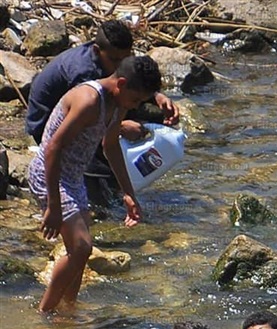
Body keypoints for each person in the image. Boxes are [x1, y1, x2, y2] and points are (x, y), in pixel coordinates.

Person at [27, 56, 162, 314]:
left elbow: (110, 146)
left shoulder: (118, 104)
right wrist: (53, 206)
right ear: (121, 84)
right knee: (81, 247)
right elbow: (53, 148)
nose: (135, 106)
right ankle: (44, 313)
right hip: (49, 174)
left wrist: (128, 193)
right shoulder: (89, 101)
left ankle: (67, 310)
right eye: (135, 100)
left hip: (74, 177)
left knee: (78, 252)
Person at [25, 19, 179, 202]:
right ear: (97, 51)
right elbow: (82, 120)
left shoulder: (108, 64)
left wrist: (155, 96)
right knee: (101, 177)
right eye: (115, 60)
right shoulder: (84, 76)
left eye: (125, 59)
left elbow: (129, 79)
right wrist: (120, 126)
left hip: (82, 115)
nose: (120, 65)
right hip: (46, 123)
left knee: (116, 158)